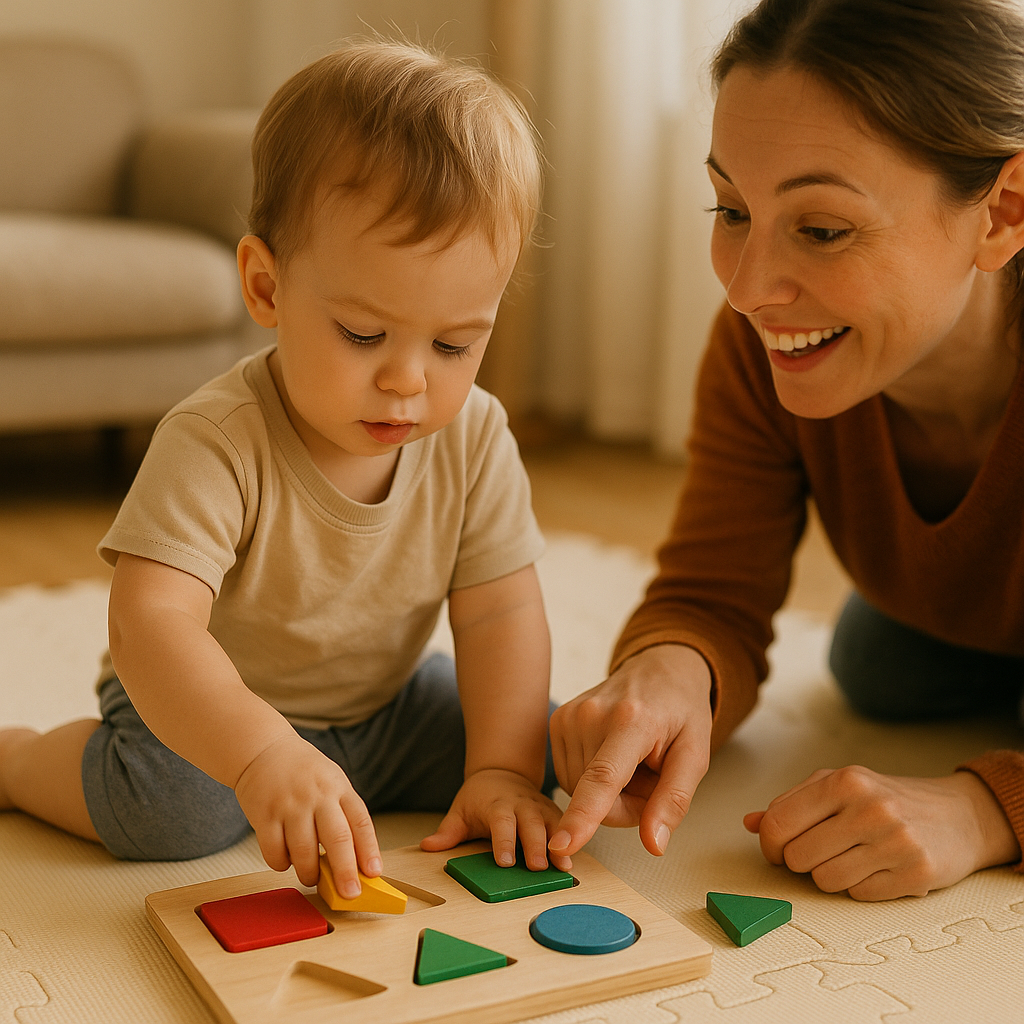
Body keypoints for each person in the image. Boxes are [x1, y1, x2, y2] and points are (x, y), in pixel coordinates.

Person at [0, 40, 572, 897]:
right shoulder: (216, 439)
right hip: (208, 716)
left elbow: (499, 616)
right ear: (267, 289)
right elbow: (151, 624)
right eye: (364, 335)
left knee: (546, 748)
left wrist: (500, 769)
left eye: (455, 343)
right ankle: (17, 761)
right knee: (168, 814)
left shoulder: (477, 435)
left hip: (385, 709)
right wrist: (262, 751)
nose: (409, 380)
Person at [548, 0, 1024, 900]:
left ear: (1002, 212)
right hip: (948, 617)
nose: (749, 290)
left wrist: (983, 809)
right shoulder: (768, 346)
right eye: (730, 208)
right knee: (875, 666)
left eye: (822, 228)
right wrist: (671, 670)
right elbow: (711, 592)